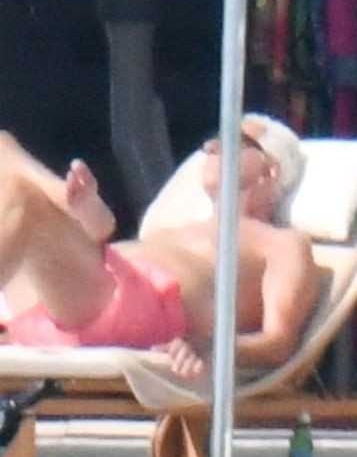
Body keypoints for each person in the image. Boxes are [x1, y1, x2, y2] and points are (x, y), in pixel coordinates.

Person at [0, 115, 321, 381]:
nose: (211, 147)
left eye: (233, 142)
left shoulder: (282, 243)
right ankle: (74, 203)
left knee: (25, 203)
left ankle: (70, 206)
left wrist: (210, 347)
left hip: (130, 310)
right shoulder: (174, 227)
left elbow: (279, 342)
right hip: (62, 303)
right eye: (213, 140)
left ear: (270, 170)